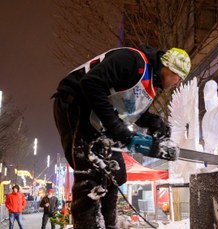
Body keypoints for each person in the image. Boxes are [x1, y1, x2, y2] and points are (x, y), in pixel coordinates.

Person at [53, 45, 191, 229]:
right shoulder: (132, 61)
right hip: (75, 103)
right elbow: (91, 83)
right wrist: (119, 130)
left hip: (98, 116)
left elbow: (128, 109)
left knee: (116, 172)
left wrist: (153, 122)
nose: (178, 83)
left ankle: (109, 225)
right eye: (178, 77)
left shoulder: (150, 84)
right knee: (91, 172)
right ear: (168, 68)